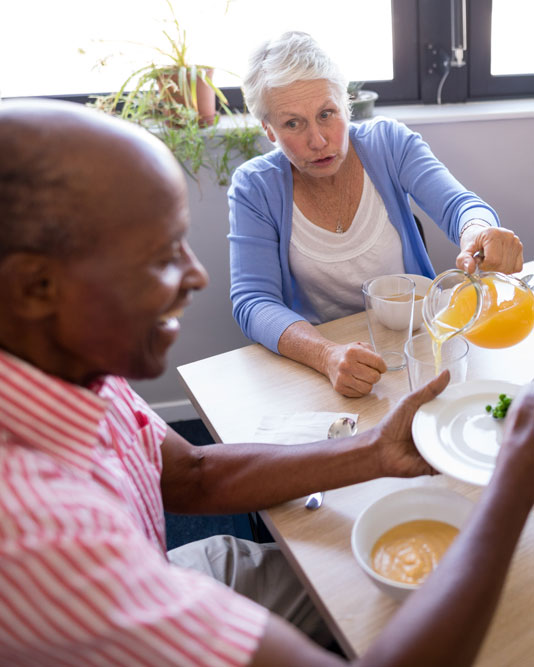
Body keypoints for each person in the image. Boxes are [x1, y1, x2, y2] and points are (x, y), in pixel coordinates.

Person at [1, 99, 533, 667]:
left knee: (354, 584)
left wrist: (377, 450)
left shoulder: (67, 371)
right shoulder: (39, 536)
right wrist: (512, 488)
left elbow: (192, 477)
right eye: (158, 257)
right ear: (35, 287)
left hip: (151, 560)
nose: (195, 275)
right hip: (122, 583)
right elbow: (251, 301)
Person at [228, 31, 524, 398]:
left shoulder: (389, 143)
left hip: (416, 343)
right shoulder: (253, 187)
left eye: (327, 114)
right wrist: (326, 355)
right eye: (293, 123)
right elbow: (253, 301)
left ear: (346, 107)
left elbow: (459, 205)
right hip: (325, 358)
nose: (318, 140)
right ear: (269, 130)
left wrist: (479, 230)